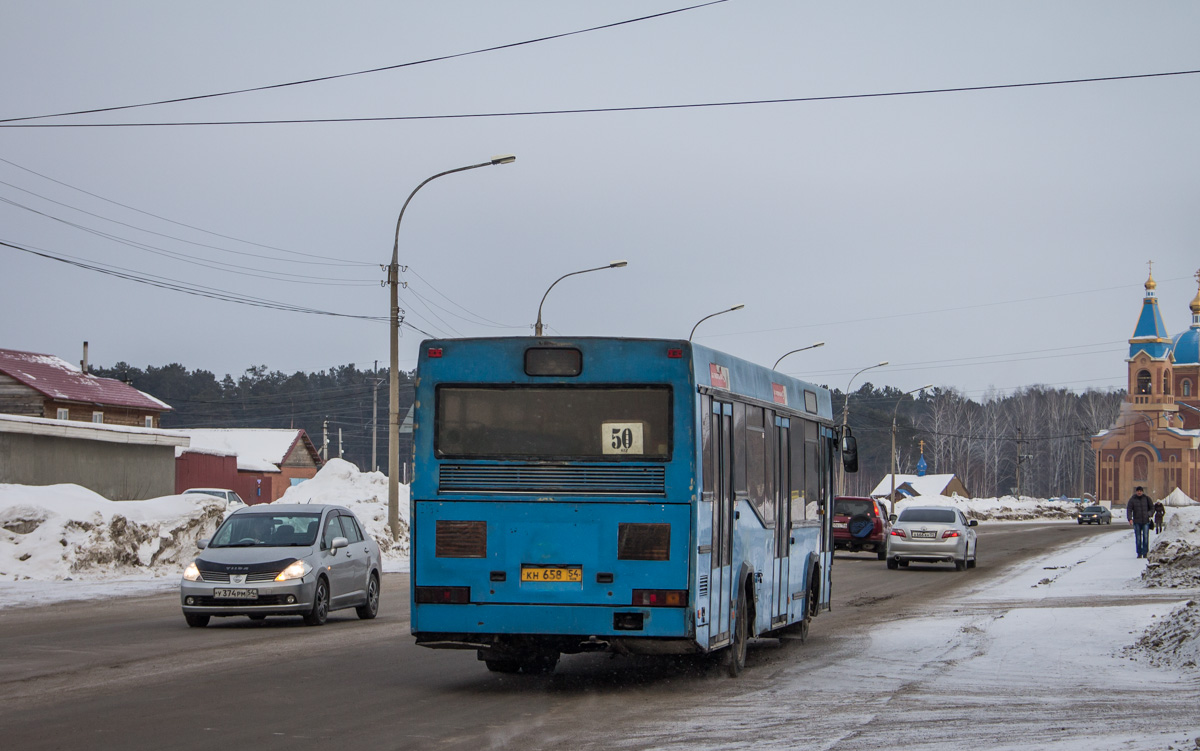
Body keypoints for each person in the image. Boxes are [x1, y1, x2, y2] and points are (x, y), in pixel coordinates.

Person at [1126, 486, 1154, 558]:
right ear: (1136, 492)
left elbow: (1152, 508)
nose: (1139, 492)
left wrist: (1149, 514)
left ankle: (1145, 553)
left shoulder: (1147, 499)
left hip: (1145, 521)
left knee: (1145, 537)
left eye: (1140, 491)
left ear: (1142, 491)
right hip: (1137, 522)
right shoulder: (1132, 500)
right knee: (1138, 538)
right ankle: (1139, 553)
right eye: (1138, 491)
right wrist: (1130, 519)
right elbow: (1129, 509)